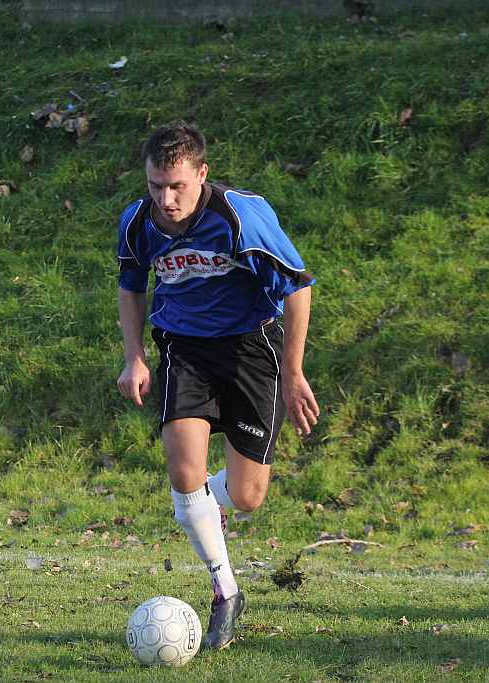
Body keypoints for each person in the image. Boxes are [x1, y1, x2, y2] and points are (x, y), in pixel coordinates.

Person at [115, 122, 319, 650]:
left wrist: (294, 375)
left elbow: (297, 288)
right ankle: (226, 590)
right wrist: (135, 357)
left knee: (248, 496)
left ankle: (205, 506)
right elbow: (131, 286)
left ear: (201, 174)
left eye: (177, 185)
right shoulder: (139, 223)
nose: (166, 197)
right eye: (156, 185)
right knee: (185, 472)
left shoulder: (239, 217)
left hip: (252, 349)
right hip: (184, 349)